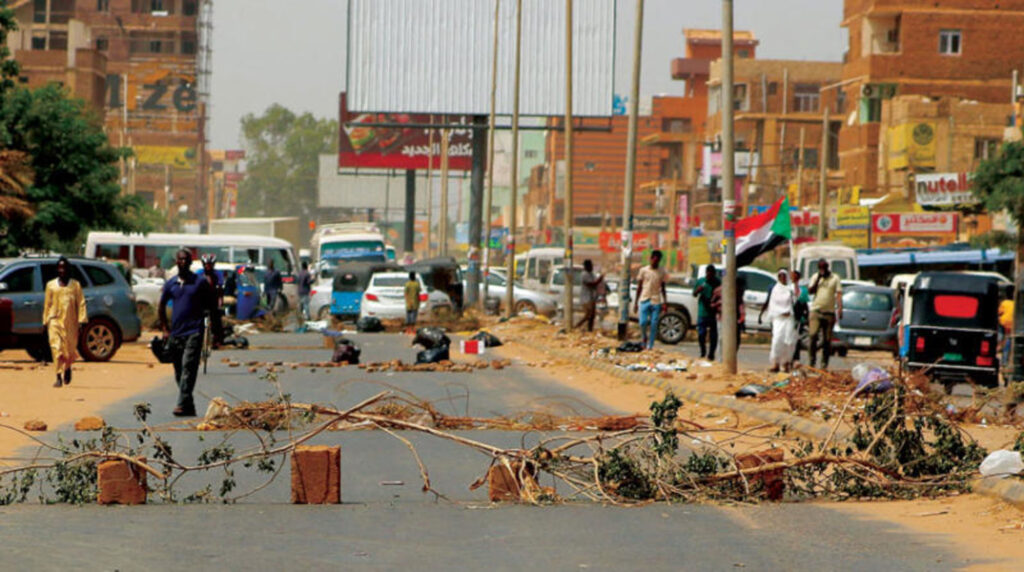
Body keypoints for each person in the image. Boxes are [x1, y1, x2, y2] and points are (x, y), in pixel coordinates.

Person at [159, 249, 215, 417]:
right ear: (176, 262)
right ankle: (188, 404)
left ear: (190, 262)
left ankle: (181, 404)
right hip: (176, 333)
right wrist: (164, 329)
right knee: (178, 370)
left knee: (188, 368)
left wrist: (213, 328)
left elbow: (211, 304)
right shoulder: (171, 284)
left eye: (186, 260)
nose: (183, 262)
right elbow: (161, 307)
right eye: (180, 260)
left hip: (194, 331)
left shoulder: (199, 282)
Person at [43, 256, 87, 388]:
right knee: (56, 348)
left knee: (69, 349)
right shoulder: (51, 285)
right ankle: (58, 376)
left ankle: (67, 368)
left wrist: (81, 321)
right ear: (57, 269)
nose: (62, 270)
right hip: (54, 321)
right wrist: (45, 321)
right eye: (60, 267)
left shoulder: (75, 285)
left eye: (65, 268)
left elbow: (81, 303)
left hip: (70, 322)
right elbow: (47, 304)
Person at [807, 259, 843, 369]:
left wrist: (840, 308)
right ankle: (812, 362)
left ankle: (824, 364)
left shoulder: (835, 278)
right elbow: (810, 291)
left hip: (829, 312)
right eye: (820, 268)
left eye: (824, 267)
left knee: (827, 340)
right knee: (813, 335)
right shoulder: (815, 277)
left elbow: (838, 294)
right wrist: (818, 279)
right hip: (816, 311)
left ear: (827, 267)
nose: (822, 270)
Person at [760, 268, 797, 373]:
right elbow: (772, 304)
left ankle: (786, 363)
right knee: (777, 339)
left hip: (789, 318)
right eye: (781, 276)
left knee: (789, 341)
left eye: (784, 276)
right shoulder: (774, 289)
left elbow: (796, 299)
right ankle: (775, 362)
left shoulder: (790, 289)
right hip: (778, 318)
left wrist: (795, 283)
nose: (783, 278)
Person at [634, 250, 668, 350]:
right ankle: (644, 337)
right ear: (651, 259)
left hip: (656, 300)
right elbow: (639, 287)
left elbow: (663, 288)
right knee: (642, 322)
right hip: (645, 298)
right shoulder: (643, 270)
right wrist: (636, 302)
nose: (655, 262)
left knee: (654, 324)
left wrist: (665, 302)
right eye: (654, 260)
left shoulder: (662, 271)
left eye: (657, 261)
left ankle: (650, 345)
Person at [693, 264, 720, 360]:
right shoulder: (701, 281)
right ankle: (703, 351)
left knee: (713, 335)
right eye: (708, 274)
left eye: (711, 274)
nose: (709, 276)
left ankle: (711, 353)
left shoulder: (717, 282)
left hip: (713, 313)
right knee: (701, 333)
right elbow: (694, 294)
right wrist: (698, 290)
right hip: (702, 311)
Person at [200, 255, 224, 348]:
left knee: (217, 319)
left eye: (210, 265)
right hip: (201, 299)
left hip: (213, 299)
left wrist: (220, 301)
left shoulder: (218, 274)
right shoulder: (199, 273)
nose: (208, 267)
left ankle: (217, 339)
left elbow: (221, 288)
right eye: (206, 265)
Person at [575, 259, 604, 332]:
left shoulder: (591, 274)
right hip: (586, 298)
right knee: (588, 315)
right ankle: (577, 326)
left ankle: (589, 329)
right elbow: (592, 284)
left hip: (592, 297)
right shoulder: (584, 274)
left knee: (592, 316)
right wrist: (600, 279)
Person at [791, 269, 810, 364]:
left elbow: (805, 304)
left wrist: (806, 316)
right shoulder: (788, 288)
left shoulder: (803, 291)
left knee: (797, 338)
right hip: (789, 317)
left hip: (799, 318)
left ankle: (796, 358)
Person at [999, 288, 1014, 369]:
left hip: (1003, 324)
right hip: (1012, 326)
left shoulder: (1004, 303)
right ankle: (1004, 361)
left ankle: (999, 342)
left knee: (1002, 337)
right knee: (1009, 341)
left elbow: (999, 312)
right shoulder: (1016, 304)